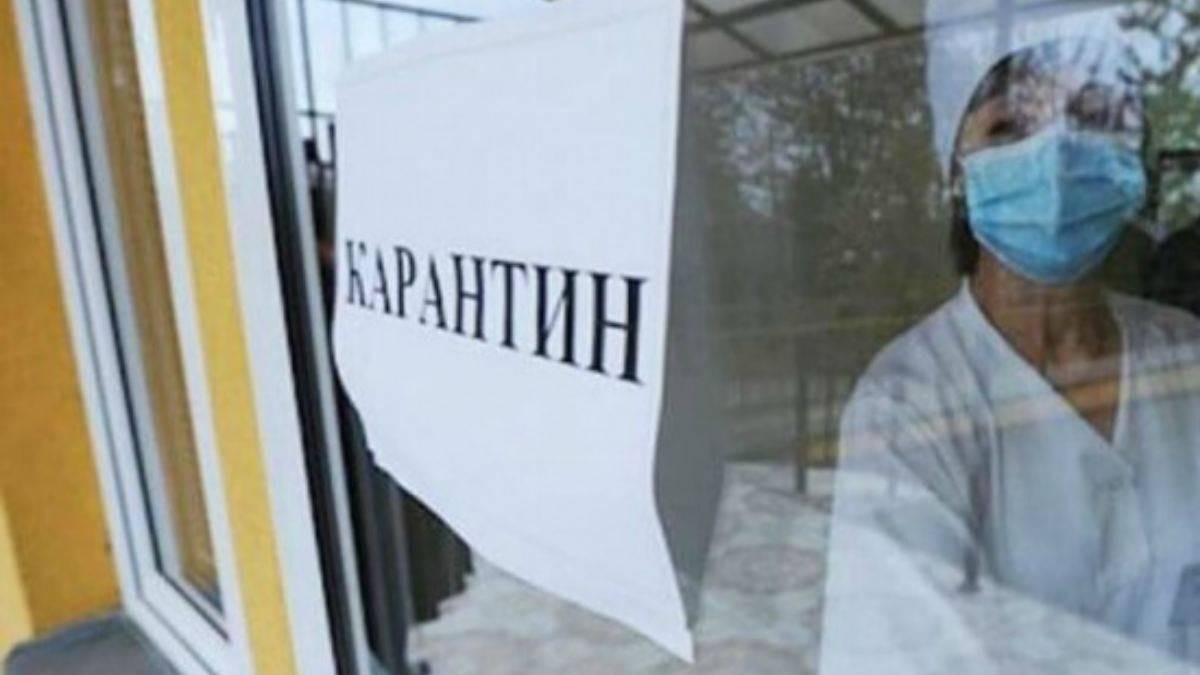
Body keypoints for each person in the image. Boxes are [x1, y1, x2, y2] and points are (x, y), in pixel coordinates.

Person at [819, 36, 1200, 674]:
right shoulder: (906, 404)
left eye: (1092, 121)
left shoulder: (1183, 352)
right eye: (1009, 129)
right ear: (957, 178)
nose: (1055, 156)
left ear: (1134, 171)